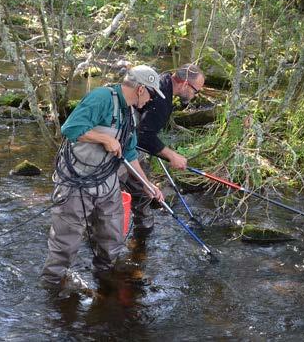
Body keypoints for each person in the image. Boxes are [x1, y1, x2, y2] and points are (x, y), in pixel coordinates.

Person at [41, 65, 165, 289]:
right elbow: (70, 128)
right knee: (66, 242)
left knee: (112, 235)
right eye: (151, 93)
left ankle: (105, 279)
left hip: (107, 182)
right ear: (140, 89)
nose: (151, 100)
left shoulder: (130, 114)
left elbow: (129, 153)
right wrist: (103, 138)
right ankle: (52, 286)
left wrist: (147, 185)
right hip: (75, 182)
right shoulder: (102, 98)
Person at [121, 64, 206, 230]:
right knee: (142, 191)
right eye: (196, 90)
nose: (196, 95)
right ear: (184, 84)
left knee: (139, 186)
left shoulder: (164, 80)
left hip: (128, 138)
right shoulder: (162, 100)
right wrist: (171, 156)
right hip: (125, 144)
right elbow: (144, 137)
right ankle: (142, 229)